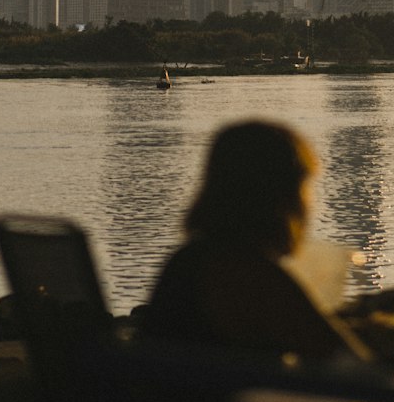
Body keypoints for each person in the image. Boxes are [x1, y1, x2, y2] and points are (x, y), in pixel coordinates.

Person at [142, 119, 371, 363]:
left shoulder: (192, 258)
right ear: (282, 194)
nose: (309, 202)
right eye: (305, 186)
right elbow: (343, 358)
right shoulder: (244, 272)